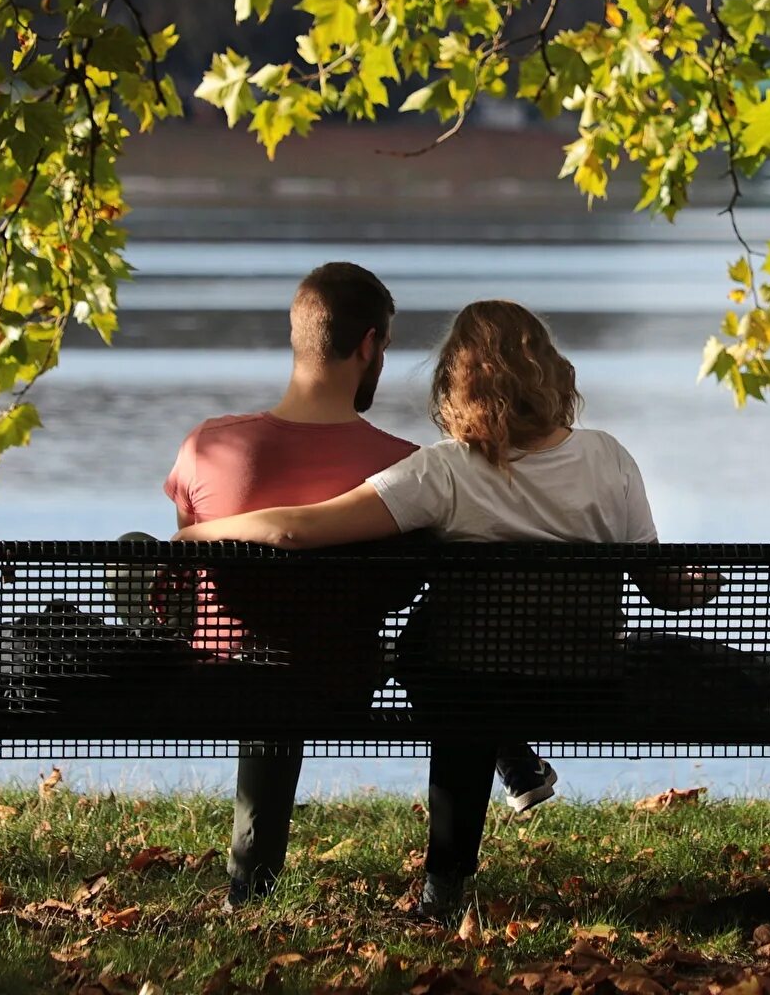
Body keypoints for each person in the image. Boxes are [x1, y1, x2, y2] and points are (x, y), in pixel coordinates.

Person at [176, 300, 729, 919]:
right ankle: (513, 758)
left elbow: (298, 531)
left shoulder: (444, 471)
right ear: (550, 371)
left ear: (455, 381)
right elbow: (667, 588)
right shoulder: (609, 458)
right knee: (458, 676)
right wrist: (709, 580)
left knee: (436, 665)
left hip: (473, 694)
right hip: (584, 684)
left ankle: (445, 892)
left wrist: (201, 534)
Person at [154, 265, 557, 912]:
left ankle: (250, 883)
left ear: (297, 335)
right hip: (342, 677)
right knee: (429, 616)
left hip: (214, 678)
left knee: (249, 648)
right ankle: (507, 754)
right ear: (370, 345)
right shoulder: (403, 467)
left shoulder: (207, 447)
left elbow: (186, 582)